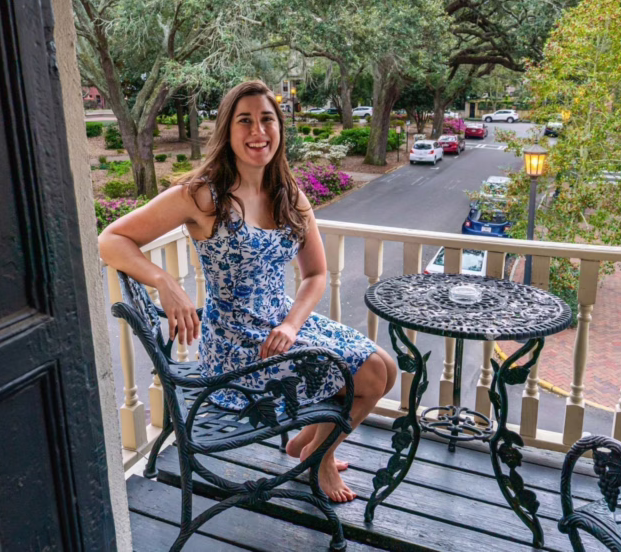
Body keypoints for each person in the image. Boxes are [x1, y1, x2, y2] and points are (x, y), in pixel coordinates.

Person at [99, 80, 397, 503]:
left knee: (386, 367)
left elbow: (316, 274)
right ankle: (320, 456)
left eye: (267, 119)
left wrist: (293, 324)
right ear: (227, 130)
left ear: (279, 128)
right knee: (368, 373)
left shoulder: (289, 194)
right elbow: (111, 239)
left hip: (284, 327)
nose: (258, 131)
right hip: (237, 345)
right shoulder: (203, 196)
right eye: (245, 121)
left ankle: (307, 447)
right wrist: (165, 282)